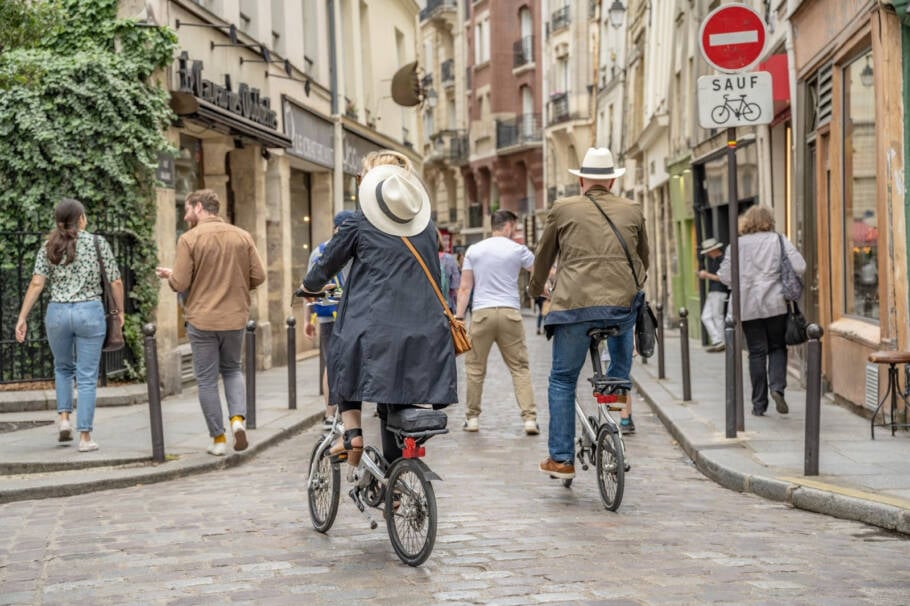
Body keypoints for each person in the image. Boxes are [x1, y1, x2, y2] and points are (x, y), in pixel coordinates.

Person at [302, 150, 457, 466]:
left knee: (342, 356)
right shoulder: (426, 227)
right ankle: (396, 486)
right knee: (393, 399)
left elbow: (327, 263)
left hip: (375, 325)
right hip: (424, 330)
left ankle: (352, 435)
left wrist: (308, 287)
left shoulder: (359, 224)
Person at [529, 147, 649, 479]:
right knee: (622, 341)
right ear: (611, 179)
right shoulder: (632, 209)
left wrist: (535, 288)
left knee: (563, 379)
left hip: (573, 307)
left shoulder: (563, 208)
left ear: (581, 179)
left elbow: (543, 256)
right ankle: (613, 397)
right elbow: (644, 259)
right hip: (619, 308)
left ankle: (562, 459)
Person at [156, 189, 266, 456]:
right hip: (235, 317)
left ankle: (218, 439)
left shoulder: (189, 239)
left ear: (198, 207)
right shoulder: (242, 235)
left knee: (206, 380)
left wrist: (171, 278)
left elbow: (181, 283)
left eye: (188, 209)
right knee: (232, 370)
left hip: (202, 319)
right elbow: (259, 275)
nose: (185, 215)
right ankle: (237, 421)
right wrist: (236, 288)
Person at [15, 198, 124, 452]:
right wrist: (119, 312)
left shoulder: (48, 246)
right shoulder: (97, 243)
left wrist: (22, 317)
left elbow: (36, 283)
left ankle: (64, 420)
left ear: (58, 221)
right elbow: (115, 281)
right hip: (89, 312)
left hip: (57, 313)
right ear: (82, 219)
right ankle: (85, 437)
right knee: (86, 376)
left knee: (63, 368)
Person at [455, 209, 538, 435]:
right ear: (509, 226)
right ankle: (529, 419)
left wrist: (459, 317)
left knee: (474, 369)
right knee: (520, 368)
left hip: (482, 313)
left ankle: (472, 418)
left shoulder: (475, 250)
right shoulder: (518, 249)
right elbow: (540, 271)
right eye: (515, 227)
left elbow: (465, 288)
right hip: (510, 312)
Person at [718, 205, 805, 417]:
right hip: (775, 304)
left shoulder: (736, 245)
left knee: (756, 352)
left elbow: (725, 276)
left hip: (747, 306)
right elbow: (800, 266)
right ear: (769, 220)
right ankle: (777, 388)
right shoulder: (778, 240)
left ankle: (759, 404)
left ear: (746, 222)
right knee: (777, 347)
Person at [304, 210, 356, 428]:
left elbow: (309, 287)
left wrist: (308, 319)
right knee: (351, 364)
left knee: (330, 364)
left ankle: (329, 413)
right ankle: (348, 415)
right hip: (351, 314)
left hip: (326, 315)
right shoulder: (355, 249)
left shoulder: (319, 251)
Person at [697, 237, 729, 352]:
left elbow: (723, 278)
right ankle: (717, 340)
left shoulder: (722, 260)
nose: (708, 254)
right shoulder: (713, 260)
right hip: (712, 291)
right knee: (705, 317)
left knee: (717, 316)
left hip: (720, 291)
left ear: (714, 250)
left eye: (709, 252)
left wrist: (706, 275)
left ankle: (721, 341)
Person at [438, 232, 461, 313]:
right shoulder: (449, 259)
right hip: (447, 306)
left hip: (429, 307)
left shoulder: (424, 259)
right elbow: (456, 287)